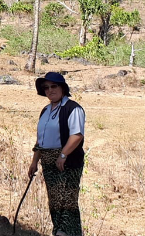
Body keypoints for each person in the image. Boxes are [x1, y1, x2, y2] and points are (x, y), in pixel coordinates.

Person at [28, 72, 86, 236]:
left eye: (54, 86)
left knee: (67, 200)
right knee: (54, 200)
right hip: (47, 162)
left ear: (62, 88)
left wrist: (63, 155)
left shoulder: (73, 108)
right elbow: (40, 140)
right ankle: (58, 231)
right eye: (46, 88)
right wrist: (34, 162)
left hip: (67, 162)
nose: (50, 90)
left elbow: (77, 135)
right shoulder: (45, 110)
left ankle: (69, 233)